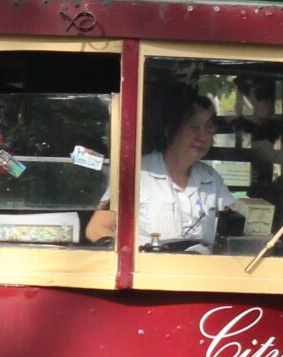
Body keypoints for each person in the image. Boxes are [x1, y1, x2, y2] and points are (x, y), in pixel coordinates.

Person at [85, 93, 231, 249]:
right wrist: (119, 249)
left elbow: (237, 221)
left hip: (201, 267)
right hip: (150, 268)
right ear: (171, 130)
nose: (202, 137)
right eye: (194, 127)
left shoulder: (211, 178)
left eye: (208, 130)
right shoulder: (138, 172)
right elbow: (96, 227)